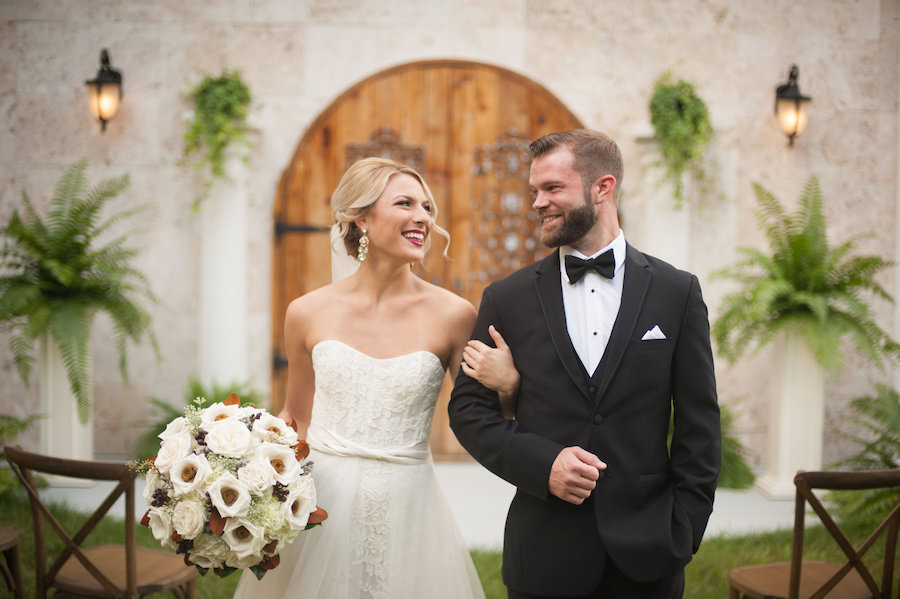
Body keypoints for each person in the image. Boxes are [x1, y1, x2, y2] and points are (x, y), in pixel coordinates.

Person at [449, 129, 721, 599]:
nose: (538, 202)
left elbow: (700, 426)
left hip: (649, 554)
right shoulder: (506, 299)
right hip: (543, 556)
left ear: (603, 187)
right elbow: (468, 412)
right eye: (534, 191)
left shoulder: (678, 293)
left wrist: (684, 529)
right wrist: (543, 463)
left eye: (553, 188)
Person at [234, 157, 509, 599]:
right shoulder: (306, 312)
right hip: (322, 502)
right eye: (405, 203)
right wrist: (242, 474)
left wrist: (508, 383)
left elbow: (488, 417)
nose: (422, 217)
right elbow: (294, 416)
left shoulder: (455, 315)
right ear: (361, 218)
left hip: (410, 505)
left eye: (427, 208)